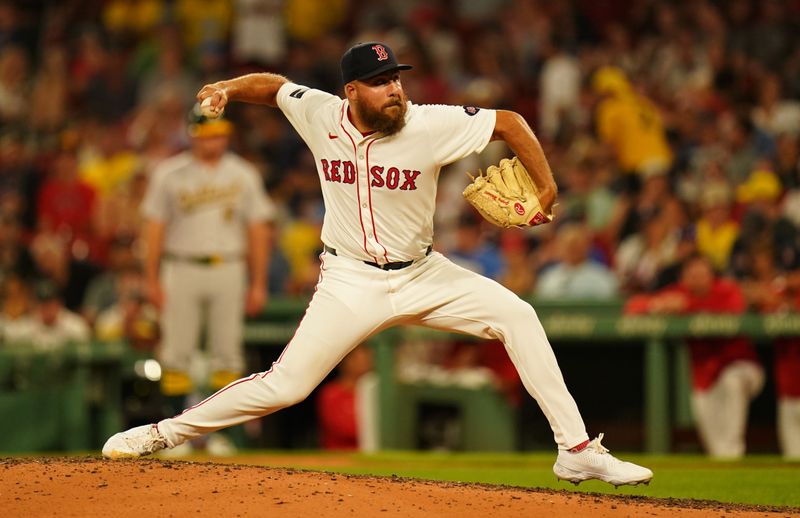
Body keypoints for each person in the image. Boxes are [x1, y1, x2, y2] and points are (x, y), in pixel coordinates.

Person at [103, 41, 652, 487]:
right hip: (350, 280)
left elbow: (508, 122)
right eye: (382, 82)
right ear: (351, 91)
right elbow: (273, 87)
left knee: (518, 316)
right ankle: (161, 433)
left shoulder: (428, 123)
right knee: (286, 386)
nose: (396, 91)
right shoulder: (320, 113)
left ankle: (576, 450)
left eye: (397, 79)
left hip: (423, 273)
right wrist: (228, 87)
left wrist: (547, 183)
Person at [137, 105, 275, 424]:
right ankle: (172, 432)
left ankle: (222, 436)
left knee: (227, 352)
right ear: (192, 135)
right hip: (181, 265)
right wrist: (152, 278)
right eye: (206, 135)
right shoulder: (168, 173)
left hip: (229, 266)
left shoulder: (243, 173)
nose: (213, 142)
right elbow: (153, 228)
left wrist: (258, 283)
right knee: (175, 352)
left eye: (218, 135)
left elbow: (258, 230)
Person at [625, 254, 764, 459]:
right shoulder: (680, 293)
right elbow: (632, 307)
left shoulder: (726, 289)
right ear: (683, 278)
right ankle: (725, 465)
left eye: (702, 273)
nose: (697, 278)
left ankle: (734, 454)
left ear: (711, 275)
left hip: (742, 367)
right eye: (692, 274)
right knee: (711, 435)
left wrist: (687, 307)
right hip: (704, 376)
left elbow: (735, 308)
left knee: (732, 382)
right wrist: (658, 305)